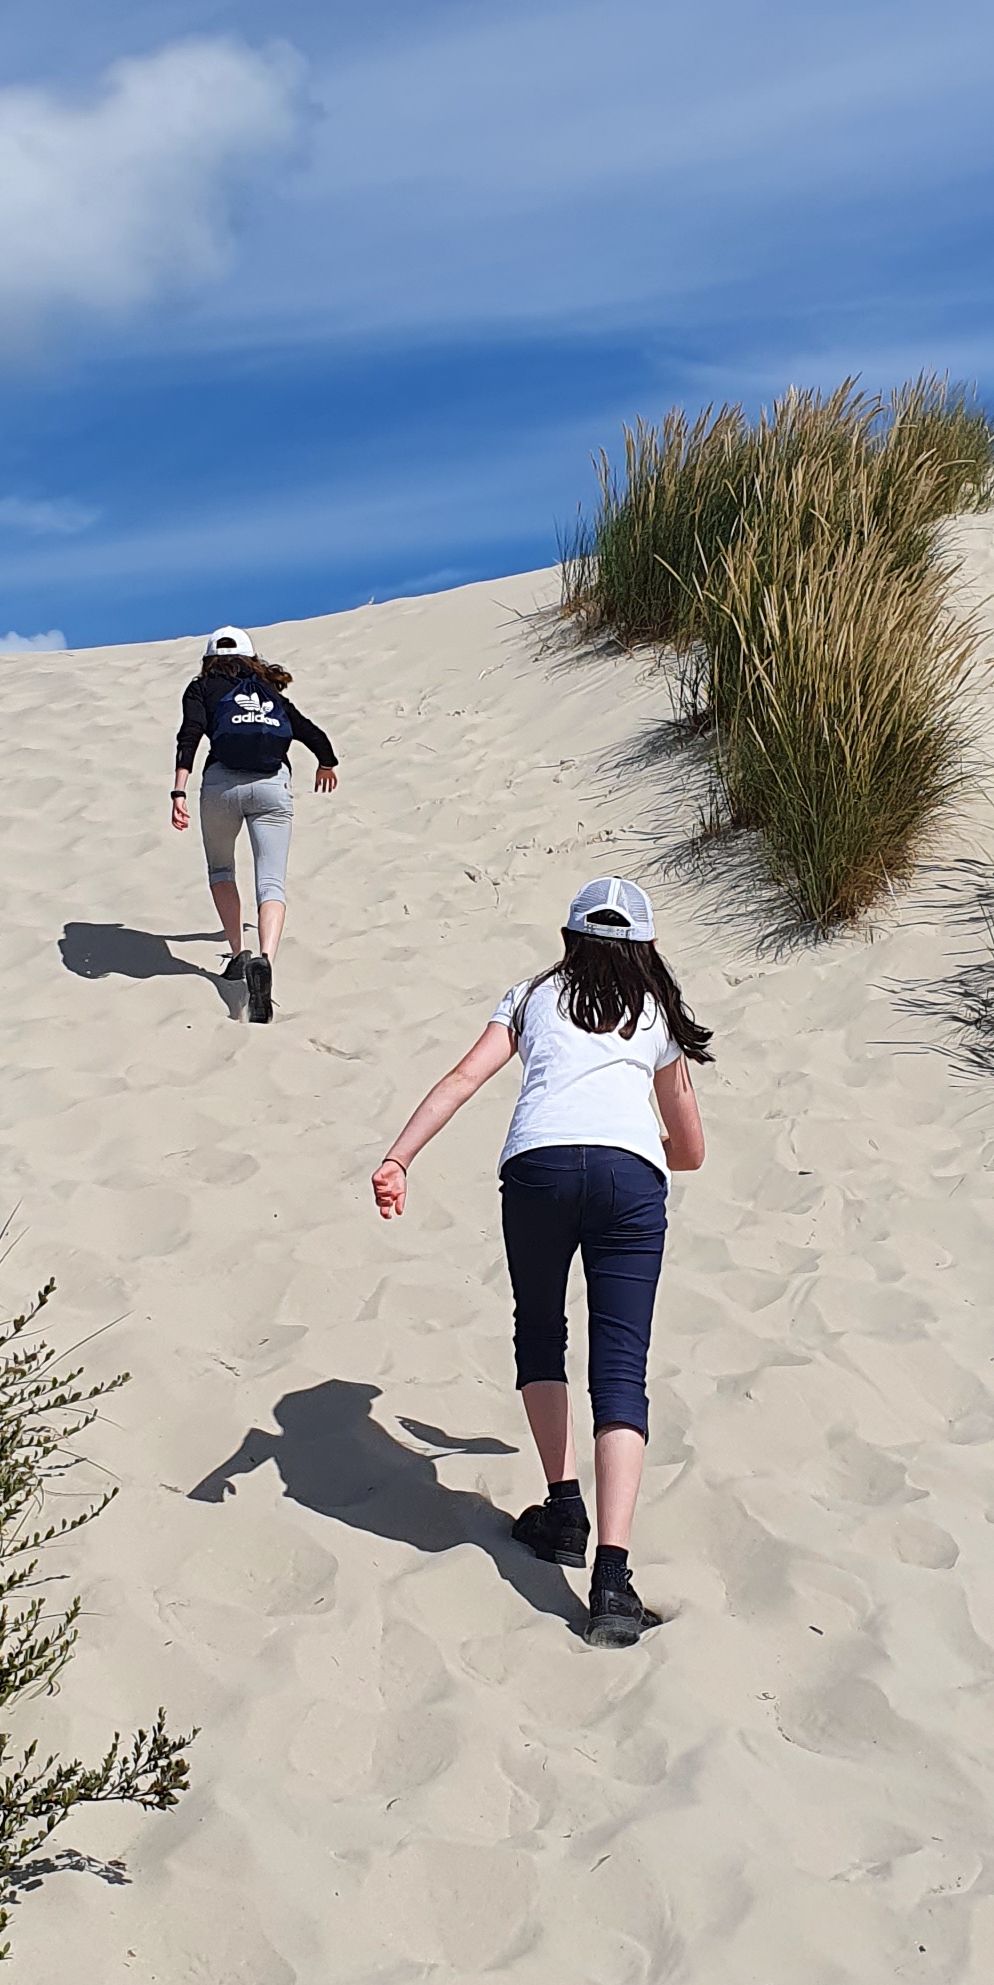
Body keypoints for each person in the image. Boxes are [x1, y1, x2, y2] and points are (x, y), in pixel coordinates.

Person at [370, 878, 712, 1648]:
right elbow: (690, 1149)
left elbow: (463, 1078)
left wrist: (399, 1157)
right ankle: (612, 1580)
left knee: (540, 1332)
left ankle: (564, 1508)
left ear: (567, 940)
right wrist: (629, 1141)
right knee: (620, 1367)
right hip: (630, 1180)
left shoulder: (529, 996)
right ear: (648, 947)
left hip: (538, 1169)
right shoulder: (658, 1011)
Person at [170, 625, 340, 1023]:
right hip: (271, 788)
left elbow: (189, 736)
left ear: (209, 658)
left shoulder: (201, 688)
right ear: (251, 657)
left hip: (220, 786)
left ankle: (237, 953)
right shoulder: (268, 692)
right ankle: (266, 959)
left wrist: (178, 791)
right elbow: (310, 732)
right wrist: (326, 762)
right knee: (271, 883)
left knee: (221, 870)